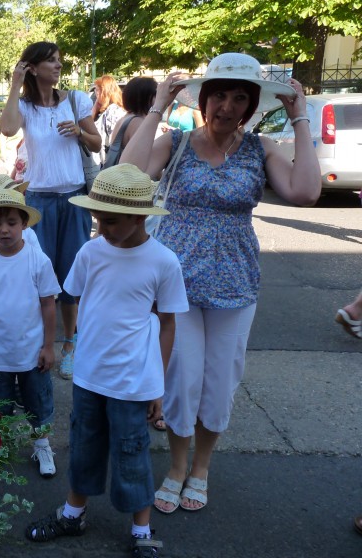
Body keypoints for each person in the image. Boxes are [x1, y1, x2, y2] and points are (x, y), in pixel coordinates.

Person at [119, 53, 321, 514]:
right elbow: (127, 176)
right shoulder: (177, 142)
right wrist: (157, 107)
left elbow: (305, 191)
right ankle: (176, 465)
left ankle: (202, 466)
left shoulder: (260, 149)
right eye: (220, 96)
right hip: (177, 283)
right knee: (181, 379)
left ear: (249, 107)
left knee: (220, 383)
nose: (227, 107)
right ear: (204, 99)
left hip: (236, 283)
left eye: (239, 98)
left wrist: (302, 119)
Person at [25, 164, 188, 558]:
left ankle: (141, 530)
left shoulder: (163, 261)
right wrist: (74, 348)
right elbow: (77, 301)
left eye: (111, 221)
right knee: (84, 444)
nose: (102, 228)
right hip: (89, 375)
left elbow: (168, 325)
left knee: (132, 451)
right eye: (98, 219)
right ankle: (73, 513)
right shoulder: (90, 251)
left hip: (133, 380)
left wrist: (158, 386)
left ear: (139, 217)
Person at [0, 41, 102, 380]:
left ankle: (70, 346)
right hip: (38, 200)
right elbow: (8, 128)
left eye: (59, 61)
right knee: (37, 277)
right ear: (33, 67)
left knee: (71, 275)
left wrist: (79, 132)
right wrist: (15, 84)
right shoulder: (26, 106)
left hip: (73, 199)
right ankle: (41, 345)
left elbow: (98, 142)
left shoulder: (75, 100)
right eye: (51, 61)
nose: (58, 66)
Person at [0, 189, 61, 477]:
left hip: (31, 349)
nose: (4, 229)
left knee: (38, 400)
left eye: (11, 222)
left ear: (24, 224)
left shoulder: (37, 260)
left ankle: (42, 445)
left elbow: (48, 304)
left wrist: (48, 345)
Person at [103, 77, 158, 169]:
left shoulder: (125, 118)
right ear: (147, 97)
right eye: (156, 95)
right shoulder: (137, 122)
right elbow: (144, 159)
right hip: (130, 178)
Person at [91, 75, 127, 164]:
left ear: (104, 91)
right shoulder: (106, 110)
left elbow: (114, 142)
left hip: (111, 164)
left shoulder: (113, 110)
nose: (95, 93)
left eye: (97, 90)